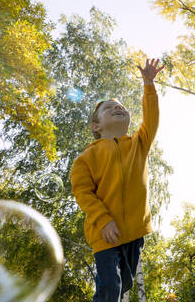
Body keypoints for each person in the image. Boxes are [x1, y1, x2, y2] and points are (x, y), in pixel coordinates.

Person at [70, 58, 164, 302]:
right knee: (111, 289)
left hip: (134, 233)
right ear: (96, 126)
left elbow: (151, 119)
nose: (117, 107)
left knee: (125, 285)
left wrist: (149, 84)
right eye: (108, 108)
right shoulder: (87, 157)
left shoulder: (139, 144)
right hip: (105, 234)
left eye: (121, 106)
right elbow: (83, 192)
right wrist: (103, 221)